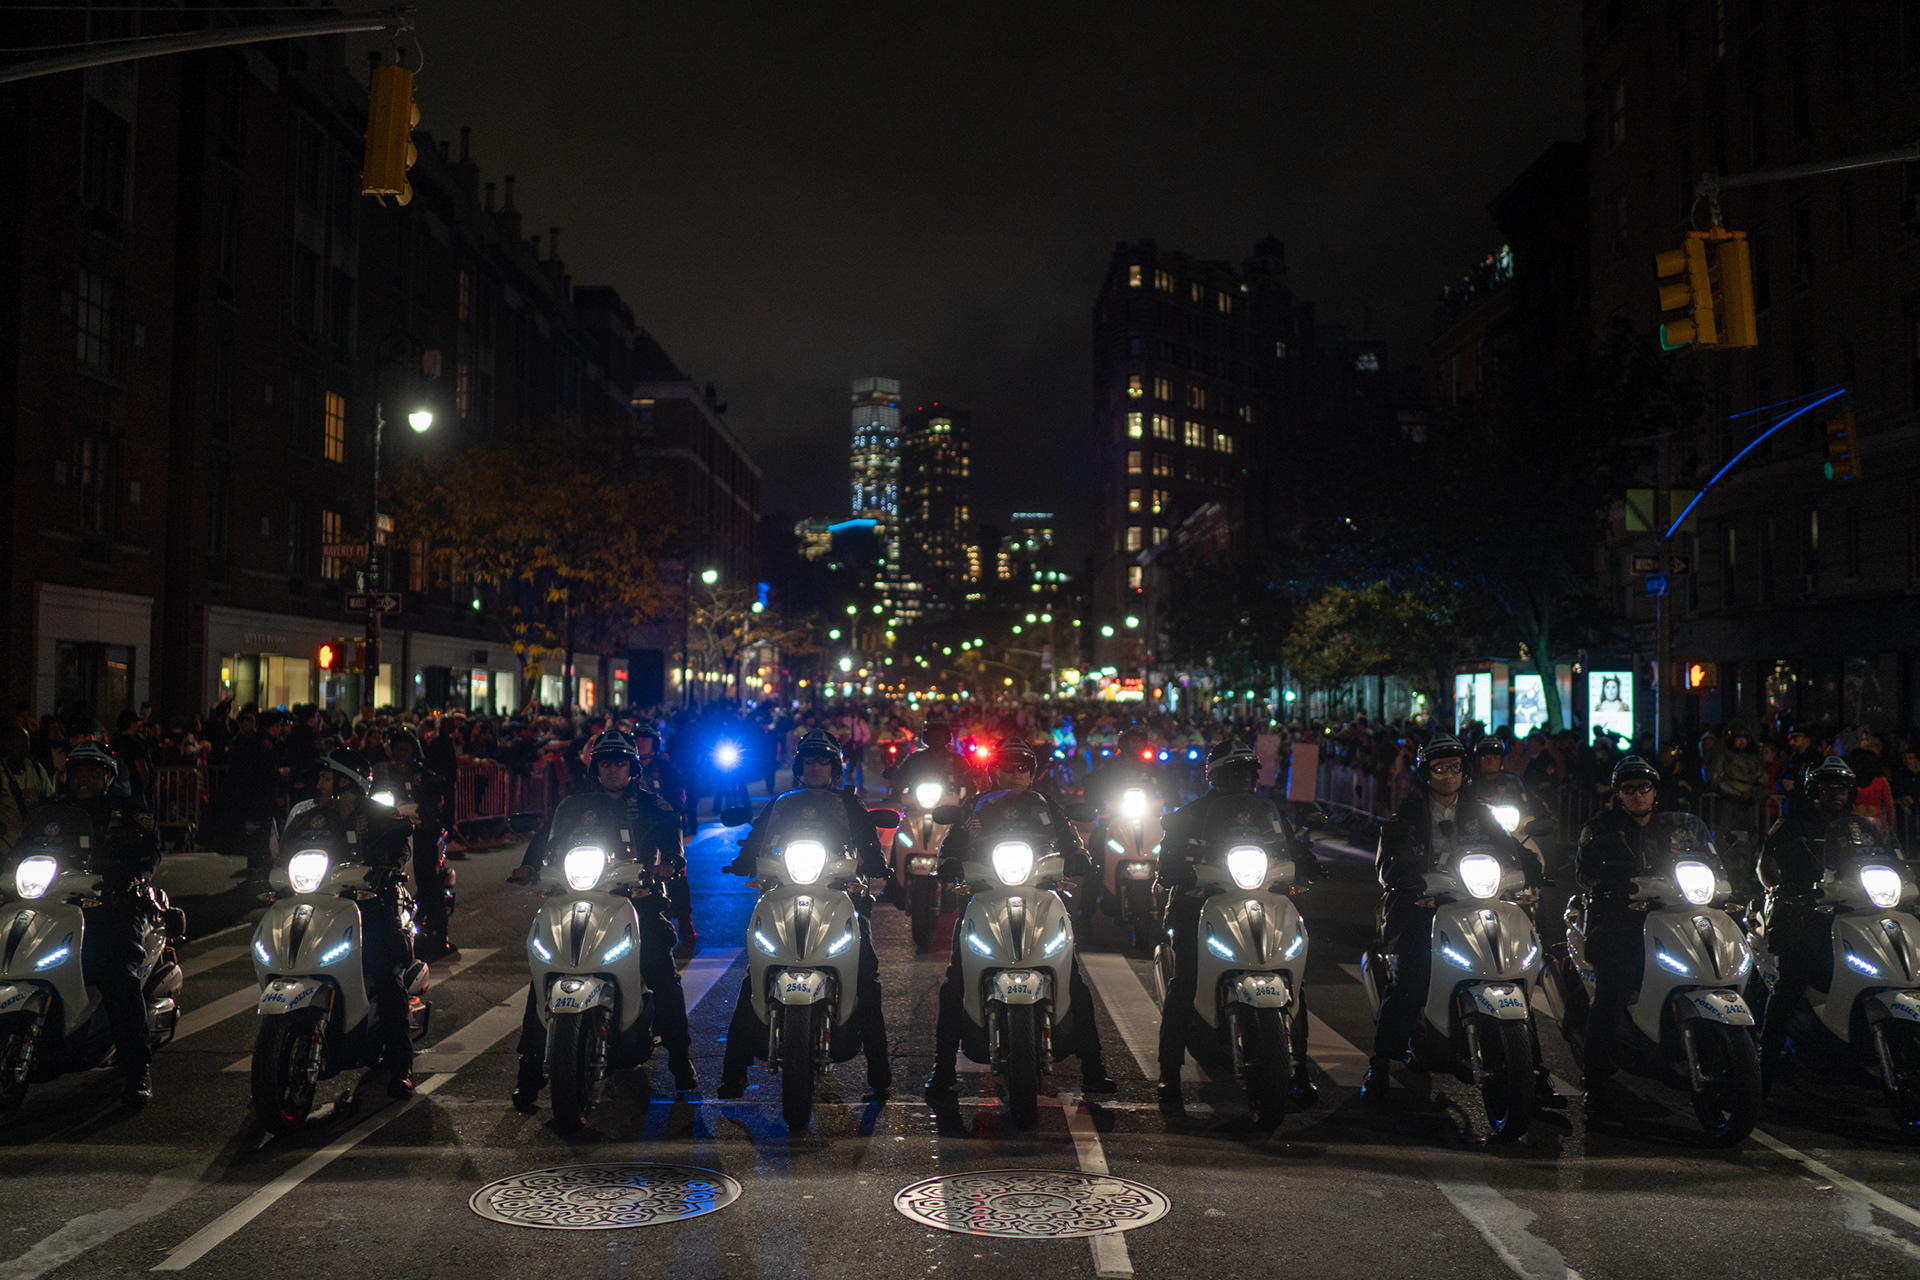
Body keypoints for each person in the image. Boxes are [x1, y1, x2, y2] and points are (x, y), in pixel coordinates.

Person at [507, 729, 697, 1109]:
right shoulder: (574, 805)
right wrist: (529, 866)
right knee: (545, 969)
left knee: (660, 966)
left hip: (637, 900)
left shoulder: (652, 805)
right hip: (578, 896)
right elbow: (547, 836)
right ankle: (529, 1071)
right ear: (596, 767)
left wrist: (669, 865)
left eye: (621, 762)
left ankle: (679, 1057)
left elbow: (672, 840)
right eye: (606, 762)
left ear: (633, 767)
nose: (613, 769)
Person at [922, 737, 1116, 1106]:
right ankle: (943, 1069)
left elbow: (1072, 841)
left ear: (1032, 774)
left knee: (1072, 978)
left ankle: (1094, 1067)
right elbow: (952, 843)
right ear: (993, 771)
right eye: (1006, 767)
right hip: (982, 897)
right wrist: (947, 863)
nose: (1013, 774)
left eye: (1021, 768)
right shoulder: (974, 806)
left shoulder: (1047, 806)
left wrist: (1079, 857)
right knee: (955, 981)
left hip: (1040, 897)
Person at [1363, 733, 1551, 1105]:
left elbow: (1509, 849)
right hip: (1423, 908)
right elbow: (1387, 864)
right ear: (1426, 772)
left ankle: (1536, 1071)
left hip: (1473, 905)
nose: (1448, 775)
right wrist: (1407, 878)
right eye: (1439, 768)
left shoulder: (1480, 812)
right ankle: (1380, 1063)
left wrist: (1530, 867)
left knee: (1510, 969)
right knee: (1412, 978)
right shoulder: (1408, 815)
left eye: (1454, 767)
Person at [717, 730, 892, 1101]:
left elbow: (869, 844)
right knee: (755, 973)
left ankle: (880, 1073)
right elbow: (758, 836)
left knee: (865, 975)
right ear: (799, 766)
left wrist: (878, 866)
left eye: (823, 760)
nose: (815, 767)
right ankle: (733, 1074)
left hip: (839, 896)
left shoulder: (849, 805)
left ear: (834, 766)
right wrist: (743, 860)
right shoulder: (781, 803)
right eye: (809, 760)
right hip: (785, 894)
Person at [1153, 740, 1316, 1115]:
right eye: (1235, 772)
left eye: (1249, 773)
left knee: (1294, 976)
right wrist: (1178, 870)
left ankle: (1300, 1067)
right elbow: (1170, 858)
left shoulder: (1269, 814)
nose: (1245, 779)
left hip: (1260, 902)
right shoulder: (1187, 816)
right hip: (1199, 904)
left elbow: (1293, 847)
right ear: (1216, 776)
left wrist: (1308, 864)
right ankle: (1169, 1073)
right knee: (1187, 979)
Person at [280, 749, 420, 1098]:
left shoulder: (377, 815)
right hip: (322, 905)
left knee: (387, 974)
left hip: (369, 906)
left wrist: (385, 866)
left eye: (327, 777)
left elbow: (400, 845)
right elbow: (286, 852)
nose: (320, 783)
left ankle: (402, 1064)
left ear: (348, 781)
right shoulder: (309, 816)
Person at [31, 741, 162, 1104]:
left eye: (93, 772)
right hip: (56, 904)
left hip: (111, 906)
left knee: (117, 973)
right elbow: (23, 848)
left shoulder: (127, 812)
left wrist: (129, 879)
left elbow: (149, 850)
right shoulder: (52, 812)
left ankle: (137, 1069)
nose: (84, 779)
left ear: (108, 776)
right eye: (77, 772)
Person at [1570, 755, 1669, 1117]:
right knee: (1612, 992)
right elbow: (1584, 871)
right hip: (1616, 921)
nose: (1638, 796)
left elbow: (1702, 856)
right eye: (1630, 789)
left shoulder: (1671, 828)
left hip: (1667, 916)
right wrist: (1612, 882)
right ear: (1619, 794)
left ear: (1655, 791)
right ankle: (1593, 1081)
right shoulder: (1601, 827)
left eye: (1644, 788)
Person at [1754, 755, 1859, 1095]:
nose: (1838, 792)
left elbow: (1888, 860)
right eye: (1830, 785)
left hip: (1850, 915)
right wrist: (1780, 886)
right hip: (1802, 915)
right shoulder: (1793, 824)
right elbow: (1765, 864)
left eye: (1843, 786)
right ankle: (1763, 1066)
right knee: (1790, 986)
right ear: (1814, 789)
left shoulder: (1858, 828)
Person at [631, 723, 696, 948]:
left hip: (665, 827)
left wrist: (674, 813)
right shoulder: (629, 768)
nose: (640, 743)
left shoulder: (666, 768)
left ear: (655, 743)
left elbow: (678, 793)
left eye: (645, 739)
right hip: (637, 831)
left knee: (676, 872)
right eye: (637, 740)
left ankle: (686, 925)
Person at [887, 716, 976, 809]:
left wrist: (968, 796)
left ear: (947, 736)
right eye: (933, 733)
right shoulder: (914, 758)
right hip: (915, 807)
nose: (937, 737)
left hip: (950, 809)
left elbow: (970, 785)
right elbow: (901, 777)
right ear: (926, 736)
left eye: (941, 733)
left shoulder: (957, 760)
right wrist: (895, 789)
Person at [1, 725, 56, 855]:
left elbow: (50, 799)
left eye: (25, 744)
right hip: (5, 847)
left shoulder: (36, 770)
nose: (22, 749)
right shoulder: (2, 774)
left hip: (33, 844)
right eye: (16, 745)